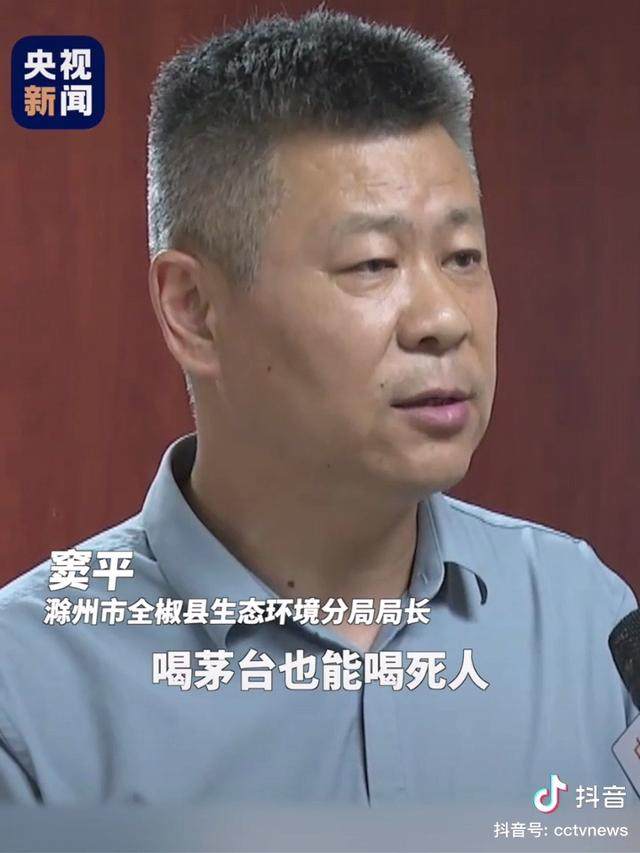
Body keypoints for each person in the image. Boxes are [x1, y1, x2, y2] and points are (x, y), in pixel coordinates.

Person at [0, 9, 636, 807]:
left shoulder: (585, 619)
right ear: (195, 310)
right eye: (372, 262)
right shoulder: (30, 697)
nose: (444, 318)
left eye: (462, 256)